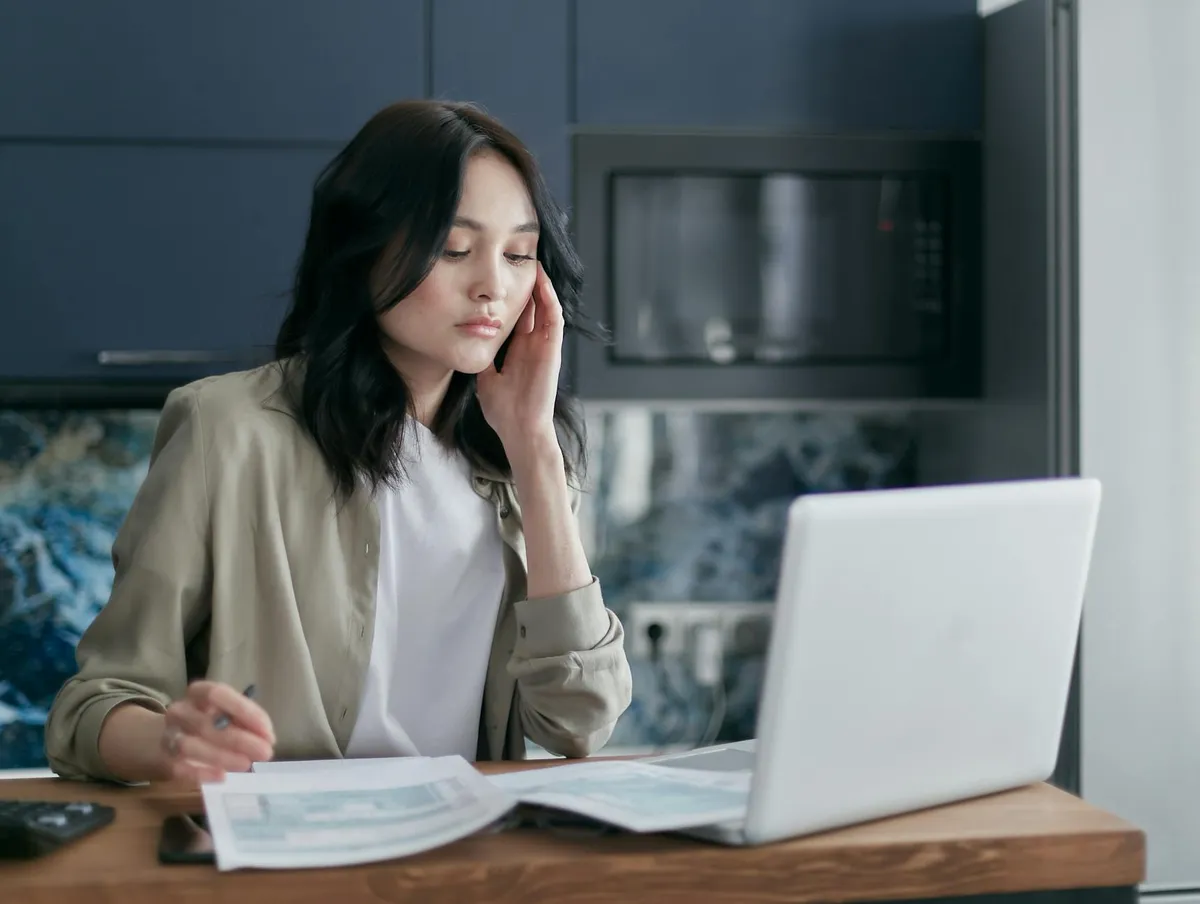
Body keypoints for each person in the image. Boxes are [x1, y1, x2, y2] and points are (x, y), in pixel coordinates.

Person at [44, 100, 633, 785]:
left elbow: (579, 722)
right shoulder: (228, 430)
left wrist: (533, 444)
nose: (493, 287)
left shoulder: (521, 456)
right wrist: (171, 741)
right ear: (363, 248)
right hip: (284, 859)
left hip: (465, 858)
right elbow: (89, 710)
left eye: (519, 253)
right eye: (453, 248)